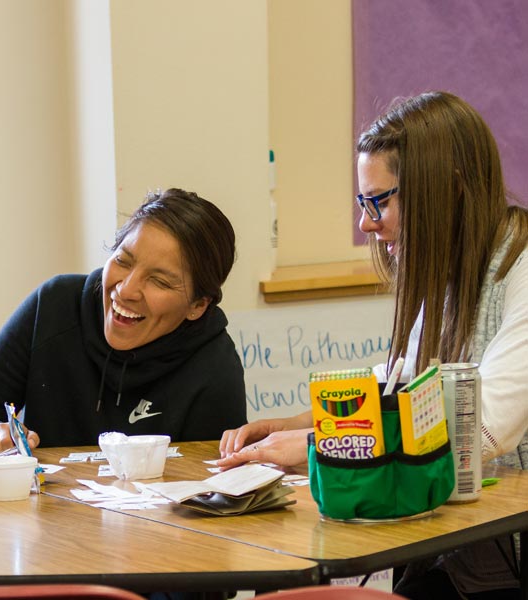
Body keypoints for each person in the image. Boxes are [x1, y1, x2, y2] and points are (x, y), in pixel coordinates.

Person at [219, 91, 528, 599]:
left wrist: (326, 448)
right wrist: (301, 423)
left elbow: (482, 430)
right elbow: (402, 386)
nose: (365, 223)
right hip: (465, 559)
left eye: (377, 200)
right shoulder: (452, 270)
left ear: (447, 191)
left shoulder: (517, 266)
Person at [0, 187, 246, 456]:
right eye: (123, 261)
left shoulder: (214, 362)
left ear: (197, 305)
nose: (126, 290)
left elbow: (215, 483)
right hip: (46, 515)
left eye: (159, 281)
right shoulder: (55, 305)